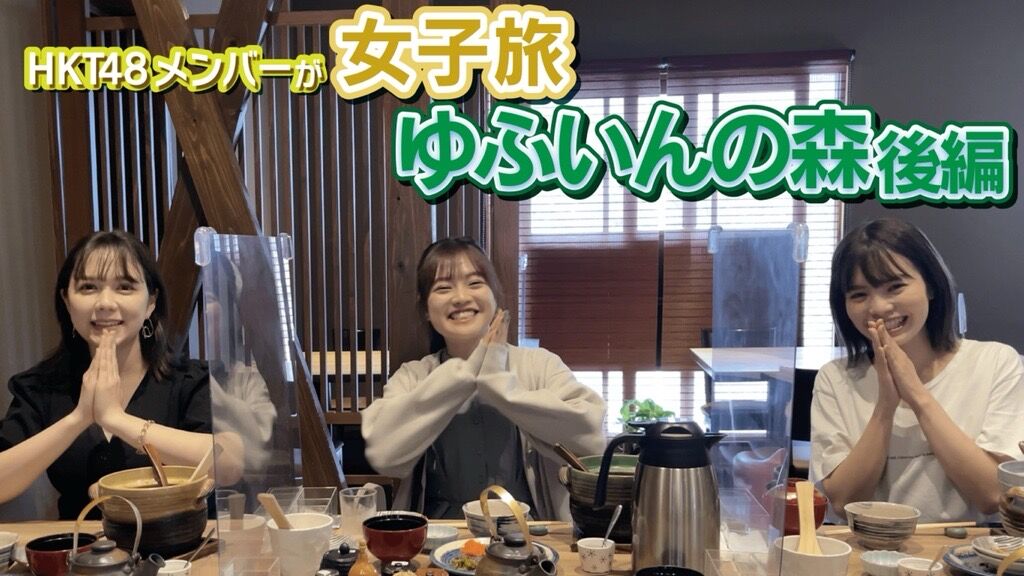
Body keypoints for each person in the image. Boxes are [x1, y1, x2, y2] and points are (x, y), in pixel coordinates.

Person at [361, 237, 607, 520]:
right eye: (443, 288)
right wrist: (466, 373)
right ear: (426, 310)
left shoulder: (540, 364)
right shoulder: (413, 375)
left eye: (475, 283)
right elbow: (383, 454)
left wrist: (501, 386)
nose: (460, 297)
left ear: (495, 296)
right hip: (440, 533)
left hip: (531, 533)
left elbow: (590, 440)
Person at [810, 218, 1023, 522]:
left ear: (931, 285)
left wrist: (916, 394)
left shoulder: (995, 362)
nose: (878, 307)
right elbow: (844, 502)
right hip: (867, 547)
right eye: (859, 295)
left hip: (968, 548)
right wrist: (886, 406)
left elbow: (992, 495)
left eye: (895, 287)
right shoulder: (836, 378)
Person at [0, 230, 215, 519]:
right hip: (80, 544)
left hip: (177, 543)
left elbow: (224, 464)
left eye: (124, 287)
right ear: (66, 300)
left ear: (151, 302)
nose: (105, 303)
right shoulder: (41, 386)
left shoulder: (191, 380)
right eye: (88, 287)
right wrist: (79, 418)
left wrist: (116, 419)